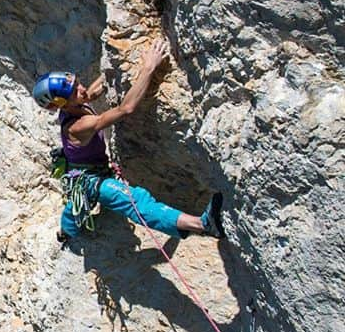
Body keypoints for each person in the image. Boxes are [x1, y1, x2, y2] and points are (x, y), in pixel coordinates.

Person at [32, 38, 222, 241]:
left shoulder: (73, 104)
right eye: (74, 91)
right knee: (135, 201)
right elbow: (126, 109)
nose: (81, 89)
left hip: (85, 172)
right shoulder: (78, 126)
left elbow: (93, 91)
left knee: (76, 209)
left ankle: (66, 231)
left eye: (77, 83)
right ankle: (202, 225)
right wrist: (148, 68)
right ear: (62, 103)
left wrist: (114, 67)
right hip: (92, 180)